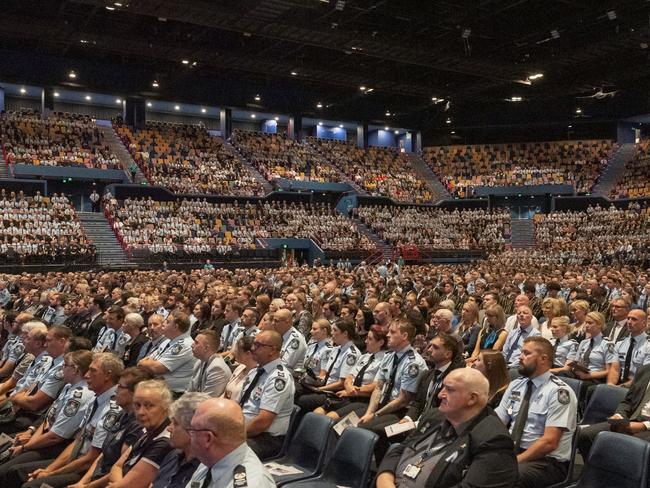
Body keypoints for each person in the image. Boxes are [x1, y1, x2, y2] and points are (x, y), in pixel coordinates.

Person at [375, 368, 518, 488]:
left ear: (472, 399)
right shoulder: (434, 416)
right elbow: (400, 450)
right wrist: (385, 478)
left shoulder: (494, 441)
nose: (440, 394)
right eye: (443, 387)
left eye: (449, 390)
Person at [10, 353, 123, 488]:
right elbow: (77, 442)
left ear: (107, 375)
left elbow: (92, 458)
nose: (86, 375)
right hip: (75, 460)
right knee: (14, 470)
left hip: (88, 471)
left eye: (92, 371)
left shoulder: (112, 409)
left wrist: (50, 473)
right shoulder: (95, 398)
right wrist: (49, 470)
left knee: (27, 482)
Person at [496, 336, 577, 488]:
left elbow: (549, 442)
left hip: (547, 461)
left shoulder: (558, 393)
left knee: (506, 476)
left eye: (526, 353)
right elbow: (499, 420)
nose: (520, 357)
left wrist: (515, 460)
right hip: (513, 450)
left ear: (543, 359)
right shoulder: (516, 385)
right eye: (521, 352)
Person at [0, 350, 94, 479]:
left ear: (75, 370)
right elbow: (49, 418)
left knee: (9, 471)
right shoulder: (68, 386)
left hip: (55, 446)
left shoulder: (80, 396)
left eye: (65, 365)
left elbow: (55, 437)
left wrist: (25, 447)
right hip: (43, 436)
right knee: (4, 446)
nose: (62, 368)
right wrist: (30, 435)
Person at [185, 397, 275, 488]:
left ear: (208, 438)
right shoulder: (210, 462)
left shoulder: (252, 483)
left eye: (193, 431)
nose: (190, 436)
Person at [105, 380, 174, 488]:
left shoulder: (165, 441)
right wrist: (120, 484)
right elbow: (117, 466)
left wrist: (119, 485)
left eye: (149, 406)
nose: (140, 412)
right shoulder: (145, 430)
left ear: (165, 407)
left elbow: (131, 485)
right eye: (137, 405)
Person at [238, 330, 295, 459]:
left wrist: (233, 435)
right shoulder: (255, 372)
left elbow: (262, 422)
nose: (252, 348)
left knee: (220, 448)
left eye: (258, 345)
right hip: (244, 429)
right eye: (254, 343)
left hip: (265, 439)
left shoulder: (278, 379)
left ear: (272, 350)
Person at [577, 362, 650, 458]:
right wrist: (619, 416)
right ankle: (597, 470)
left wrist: (643, 426)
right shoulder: (645, 370)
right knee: (585, 435)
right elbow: (627, 401)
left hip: (647, 427)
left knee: (626, 446)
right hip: (630, 420)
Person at [296, 318, 360, 411]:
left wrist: (320, 389)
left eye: (335, 330)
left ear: (345, 333)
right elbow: (325, 375)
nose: (332, 333)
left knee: (302, 400)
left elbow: (341, 383)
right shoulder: (336, 349)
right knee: (295, 388)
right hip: (324, 386)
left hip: (333, 392)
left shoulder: (351, 354)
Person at [152, 392, 210, 488]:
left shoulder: (205, 470)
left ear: (192, 430)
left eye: (175, 423)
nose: (169, 428)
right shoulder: (172, 456)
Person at [139, 310, 196, 398]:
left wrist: (148, 363)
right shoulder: (167, 341)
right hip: (160, 389)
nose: (164, 323)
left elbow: (156, 368)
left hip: (173, 394)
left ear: (175, 327)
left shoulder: (184, 345)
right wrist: (148, 363)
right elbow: (144, 361)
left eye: (168, 322)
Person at [608, 308, 650, 386]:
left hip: (638, 386)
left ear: (644, 323)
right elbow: (615, 370)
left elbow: (644, 375)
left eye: (634, 319)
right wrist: (610, 385)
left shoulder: (648, 345)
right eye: (628, 318)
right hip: (620, 384)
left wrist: (622, 387)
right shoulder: (620, 343)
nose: (629, 322)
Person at [189, 330, 230, 397]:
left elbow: (206, 399)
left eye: (196, 343)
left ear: (206, 348)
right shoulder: (200, 362)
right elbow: (190, 391)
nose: (192, 345)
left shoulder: (217, 369)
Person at [223, 336, 256, 401]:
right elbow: (225, 394)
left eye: (237, 350)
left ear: (248, 354)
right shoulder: (240, 368)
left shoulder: (255, 375)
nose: (234, 353)